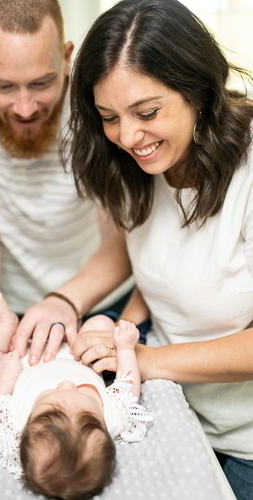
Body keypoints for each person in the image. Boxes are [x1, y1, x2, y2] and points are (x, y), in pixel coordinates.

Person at [17, 1, 253, 498]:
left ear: (200, 90)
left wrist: (144, 360)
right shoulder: (138, 163)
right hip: (176, 407)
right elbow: (158, 257)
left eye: (147, 112)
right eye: (109, 116)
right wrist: (100, 317)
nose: (128, 136)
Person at [0, 0, 133, 334]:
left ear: (67, 59)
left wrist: (66, 302)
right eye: (3, 86)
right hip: (14, 306)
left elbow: (120, 234)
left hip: (102, 297)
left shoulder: (97, 88)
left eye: (41, 83)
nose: (25, 108)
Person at [0, 291, 152, 499]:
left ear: (21, 437)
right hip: (80, 354)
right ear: (105, 430)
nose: (66, 384)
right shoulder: (111, 418)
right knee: (101, 323)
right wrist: (126, 348)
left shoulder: (14, 427)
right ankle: (77, 327)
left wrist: (8, 375)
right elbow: (128, 389)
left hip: (22, 361)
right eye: (81, 392)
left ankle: (5, 323)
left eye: (52, 394)